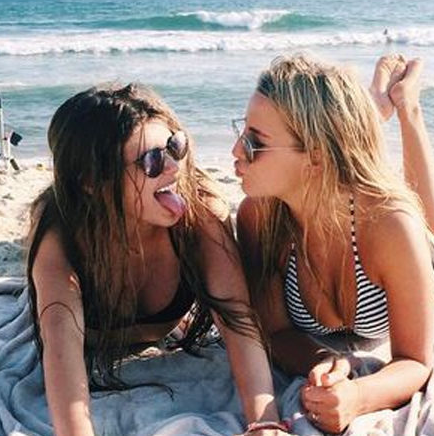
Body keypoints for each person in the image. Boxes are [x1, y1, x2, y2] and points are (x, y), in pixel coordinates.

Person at [26, 84, 288, 435]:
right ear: (92, 180)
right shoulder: (62, 231)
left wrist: (265, 422)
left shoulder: (200, 212)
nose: (174, 167)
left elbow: (237, 320)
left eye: (175, 146)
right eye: (151, 161)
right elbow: (61, 343)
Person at [232, 53, 434, 433]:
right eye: (242, 131)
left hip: (409, 246)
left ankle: (405, 105)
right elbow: (276, 332)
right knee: (345, 141)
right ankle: (374, 105)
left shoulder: (391, 226)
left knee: (428, 227)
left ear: (315, 157)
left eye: (255, 141)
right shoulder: (259, 217)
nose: (236, 150)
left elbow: (415, 360)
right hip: (334, 176)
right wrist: (326, 361)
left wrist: (359, 396)